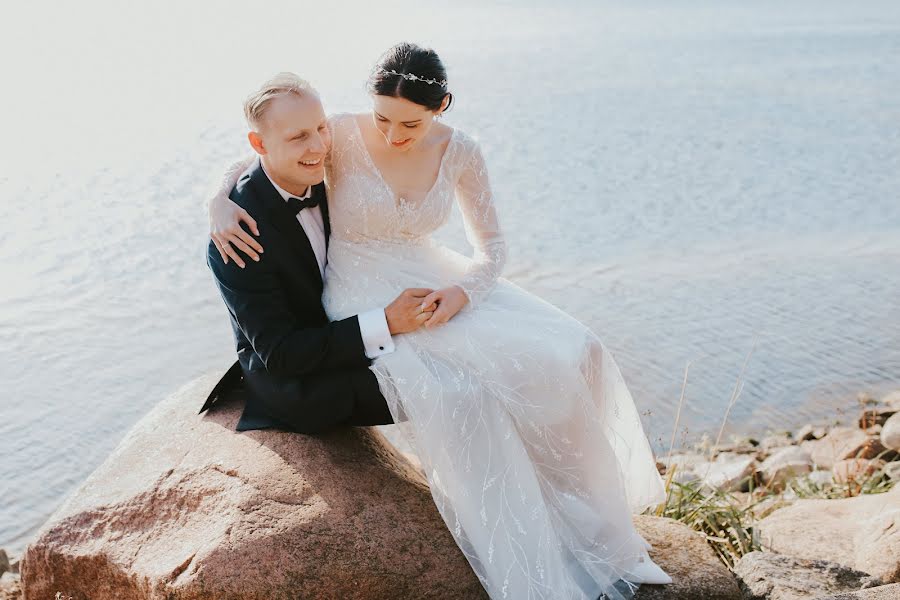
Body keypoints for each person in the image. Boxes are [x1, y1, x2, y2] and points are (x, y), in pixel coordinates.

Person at [208, 42, 672, 600]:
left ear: (442, 107)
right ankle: (530, 564)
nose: (393, 134)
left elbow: (492, 247)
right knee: (467, 395)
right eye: (383, 118)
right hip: (359, 296)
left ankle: (610, 541)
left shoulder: (437, 149)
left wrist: (463, 293)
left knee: (570, 352)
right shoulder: (333, 143)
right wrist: (216, 200)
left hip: (432, 278)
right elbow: (265, 154)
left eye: (409, 123)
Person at [201, 72, 438, 433]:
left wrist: (214, 197)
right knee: (445, 390)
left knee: (476, 354)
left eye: (321, 128)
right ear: (260, 144)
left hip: (347, 325)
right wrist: (387, 321)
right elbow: (281, 355)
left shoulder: (323, 160)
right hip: (304, 380)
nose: (319, 147)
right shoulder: (236, 236)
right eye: (298, 137)